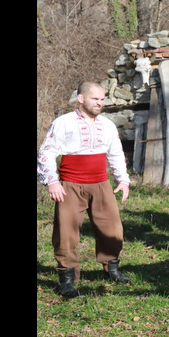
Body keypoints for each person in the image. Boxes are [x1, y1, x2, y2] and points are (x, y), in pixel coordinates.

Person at [38, 81, 131, 298]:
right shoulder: (63, 123)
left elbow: (116, 154)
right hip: (70, 185)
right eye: (95, 99)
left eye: (102, 99)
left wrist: (123, 180)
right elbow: (46, 152)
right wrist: (52, 181)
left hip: (101, 184)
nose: (100, 103)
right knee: (66, 233)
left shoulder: (107, 125)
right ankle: (68, 279)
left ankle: (112, 269)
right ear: (81, 98)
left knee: (112, 228)